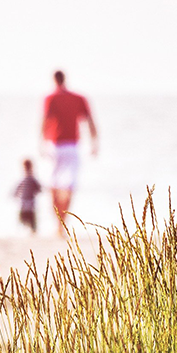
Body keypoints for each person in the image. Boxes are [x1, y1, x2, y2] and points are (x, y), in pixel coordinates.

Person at [40, 70, 98, 237]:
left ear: (54, 80)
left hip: (54, 145)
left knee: (54, 185)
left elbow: (44, 121)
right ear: (65, 79)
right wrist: (95, 143)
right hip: (72, 146)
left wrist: (41, 143)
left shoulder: (50, 98)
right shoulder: (79, 98)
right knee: (68, 185)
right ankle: (62, 222)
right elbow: (90, 121)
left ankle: (58, 223)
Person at [13, 158, 42, 235]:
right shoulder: (30, 179)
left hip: (27, 201)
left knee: (27, 216)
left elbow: (18, 188)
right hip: (27, 201)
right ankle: (28, 230)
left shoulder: (28, 179)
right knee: (28, 216)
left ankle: (30, 230)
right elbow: (39, 189)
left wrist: (15, 195)